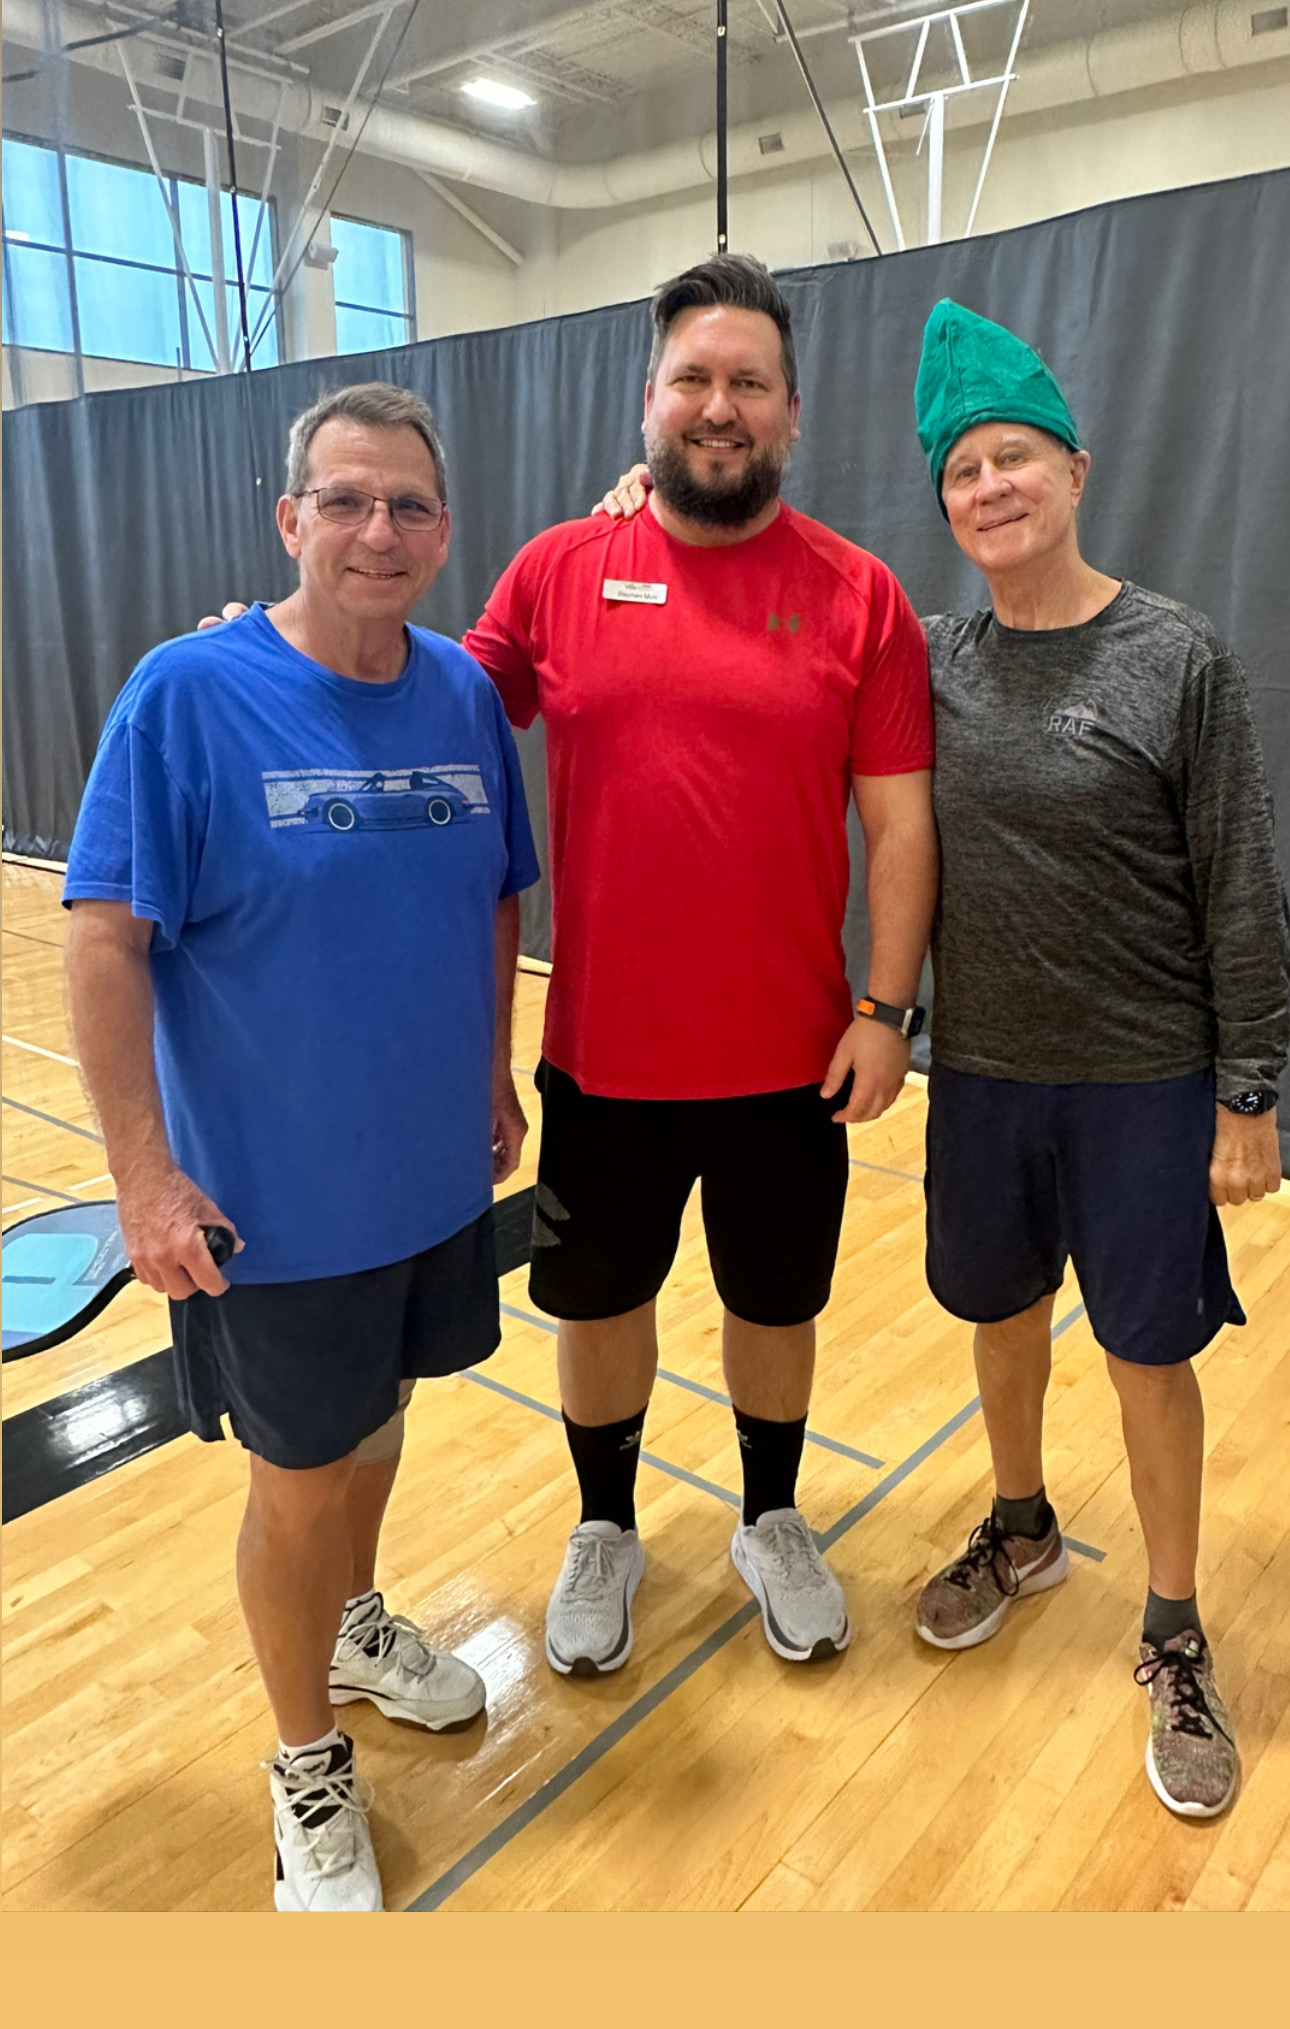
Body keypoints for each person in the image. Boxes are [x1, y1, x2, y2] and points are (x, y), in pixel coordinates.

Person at [65, 382, 540, 1911]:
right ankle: (301, 1758)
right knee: (292, 1479)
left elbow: (492, 894)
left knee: (379, 1425)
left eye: (405, 504)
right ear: (289, 519)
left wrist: (490, 1071)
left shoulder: (465, 694)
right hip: (267, 1209)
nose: (375, 529)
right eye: (343, 499)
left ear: (444, 530)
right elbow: (102, 937)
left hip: (423, 1179)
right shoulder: (184, 694)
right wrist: (145, 1174)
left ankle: (354, 1621)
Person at [465, 255, 938, 1675]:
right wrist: (272, 657)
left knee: (772, 1305)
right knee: (597, 1304)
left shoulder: (859, 597)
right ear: (650, 402)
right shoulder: (557, 569)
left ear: (791, 413)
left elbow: (901, 823)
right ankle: (604, 1525)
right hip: (601, 1052)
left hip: (793, 1057)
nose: (717, 404)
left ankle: (772, 1513)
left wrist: (884, 1011)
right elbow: (421, 710)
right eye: (692, 379)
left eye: (746, 382)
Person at [908, 300, 1287, 1820]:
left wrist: (1248, 1091)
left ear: (1074, 467)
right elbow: (764, 631)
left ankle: (1175, 1627)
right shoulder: (924, 657)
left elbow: (1241, 885)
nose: (989, 486)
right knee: (997, 1315)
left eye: (1014, 458)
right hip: (984, 1074)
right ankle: (1019, 1525)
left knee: (1146, 1353)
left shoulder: (1175, 655)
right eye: (960, 469)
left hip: (1142, 1081)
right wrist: (637, 513)